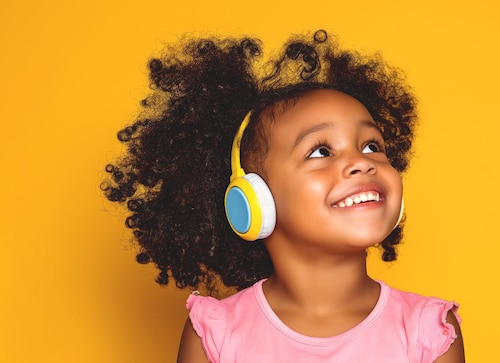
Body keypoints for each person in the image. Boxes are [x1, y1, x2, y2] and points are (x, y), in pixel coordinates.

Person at [102, 30, 464, 363]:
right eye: (321, 151)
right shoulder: (215, 333)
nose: (361, 163)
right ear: (254, 201)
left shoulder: (429, 330)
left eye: (372, 146)